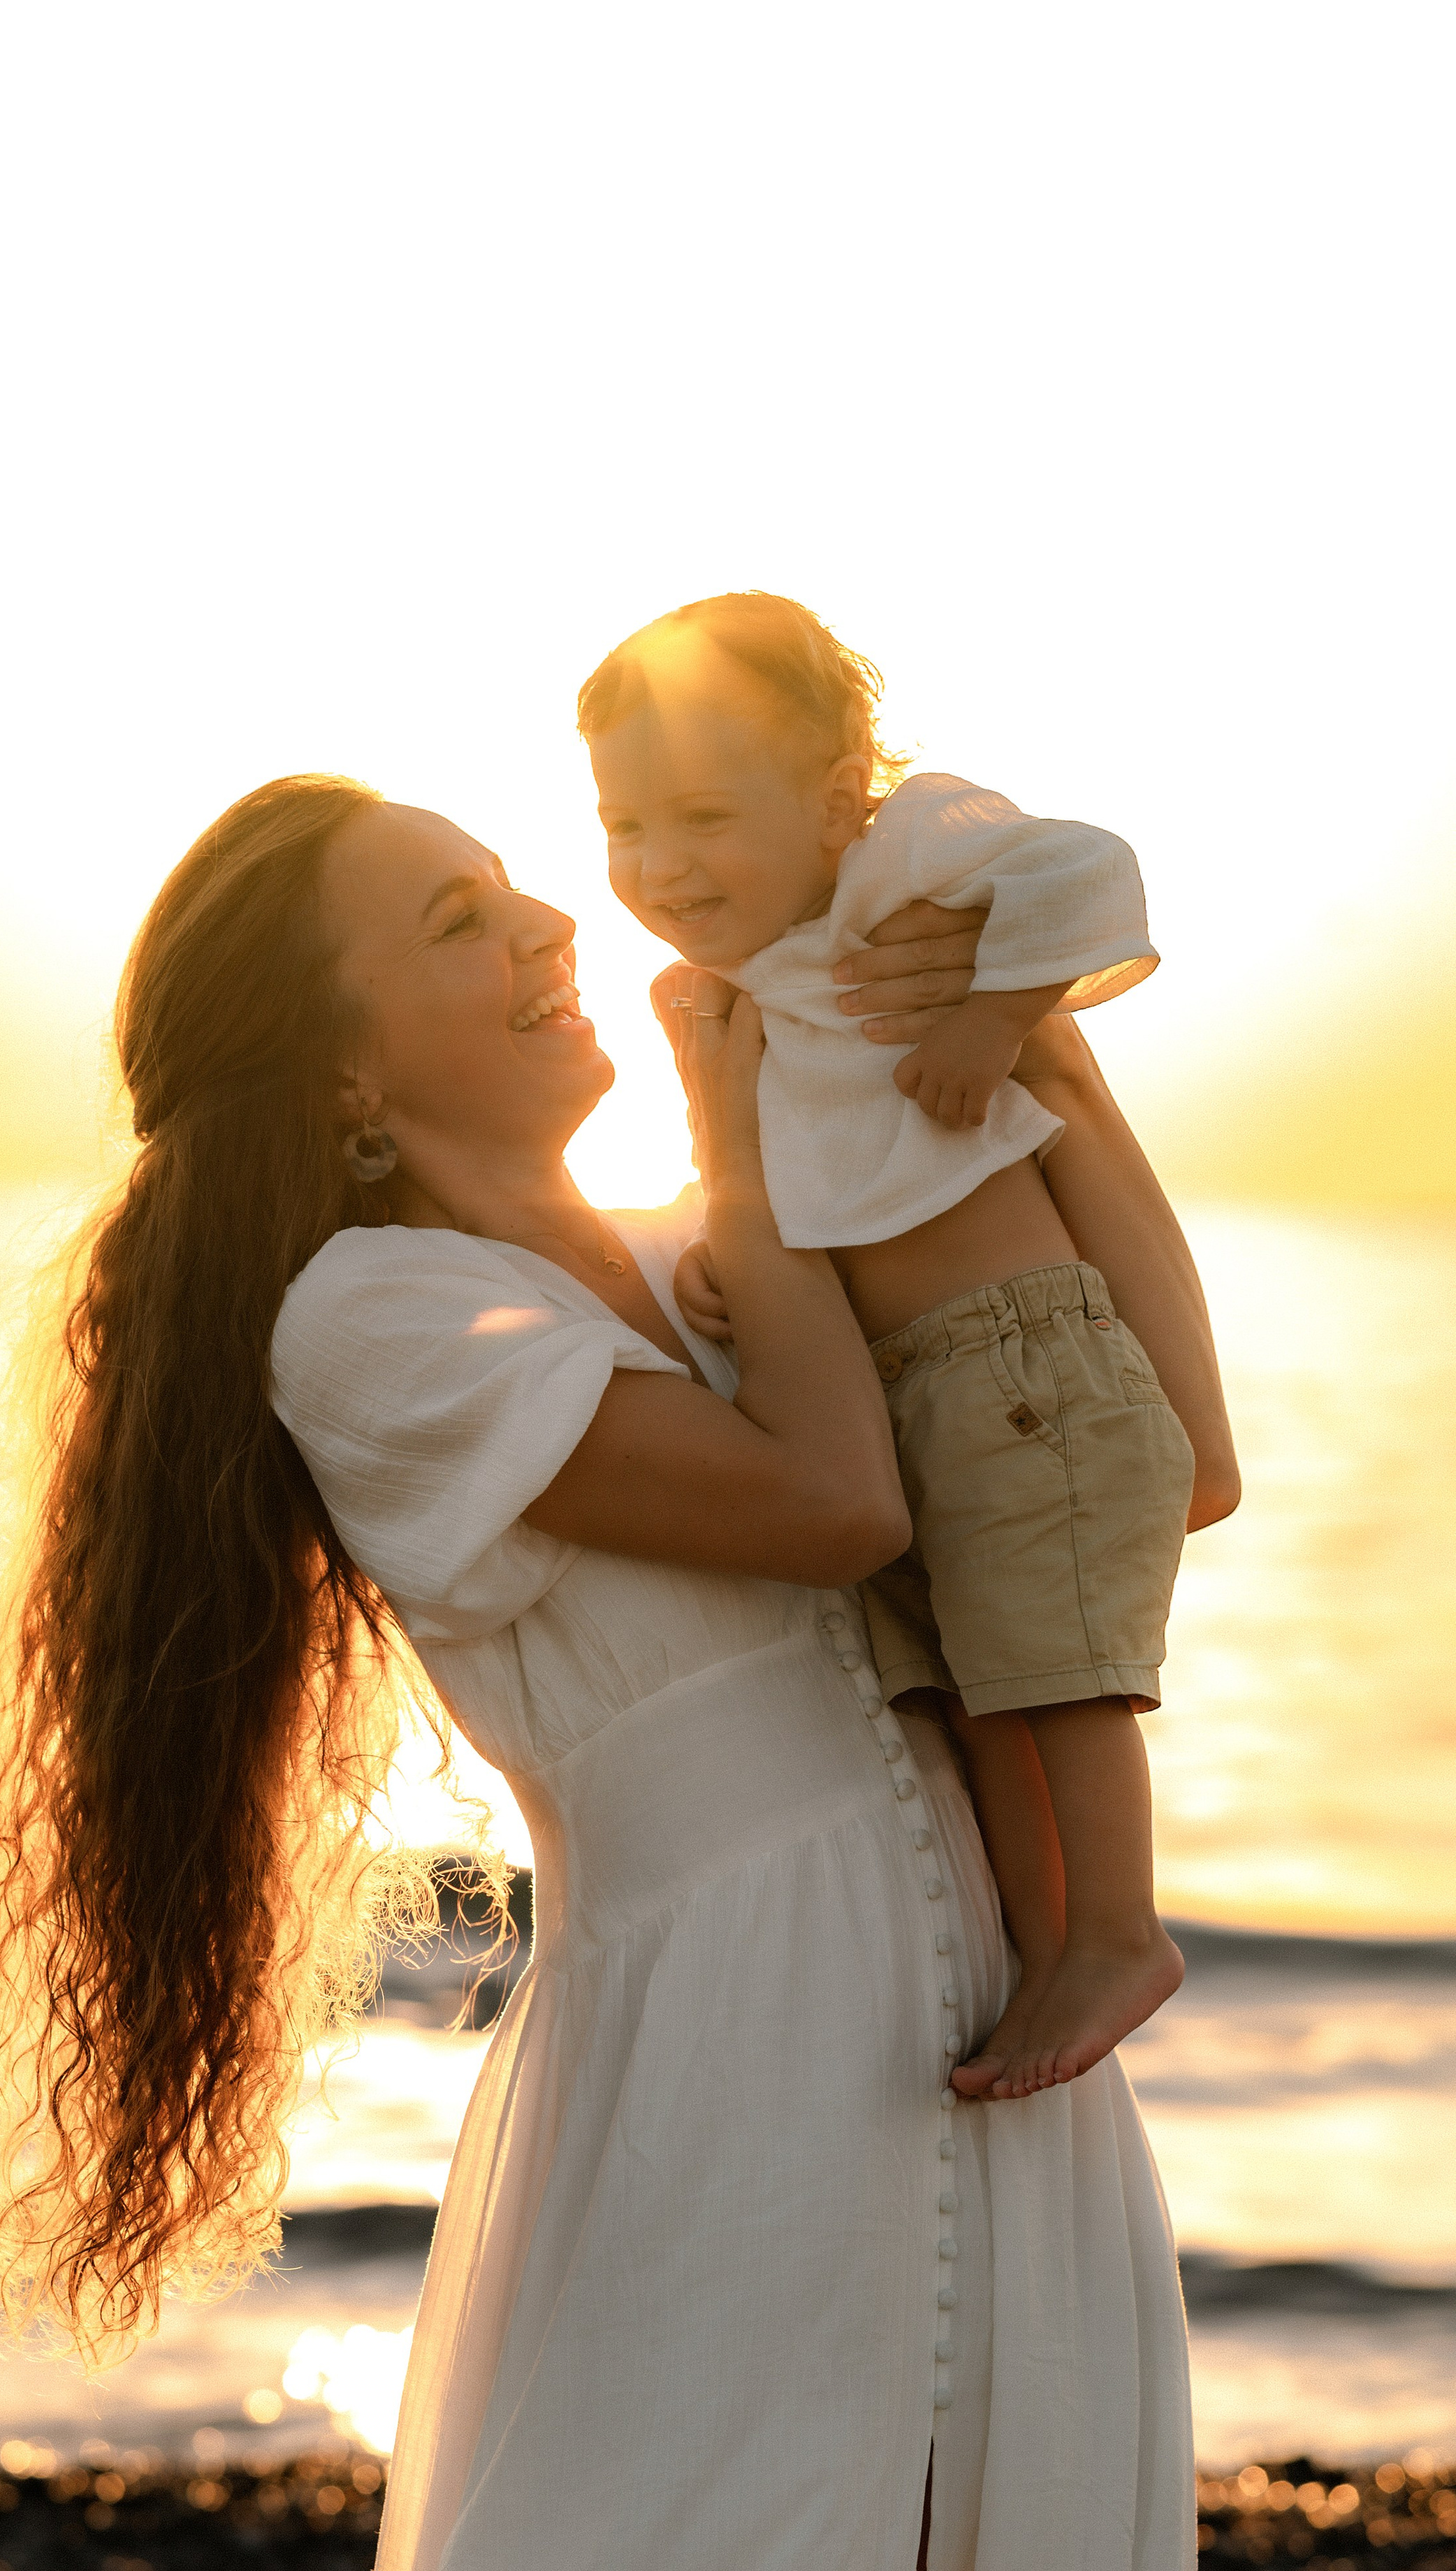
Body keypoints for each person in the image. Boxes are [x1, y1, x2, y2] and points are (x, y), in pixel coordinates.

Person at [0, 771, 1201, 2571]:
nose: (549, 929)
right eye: (457, 922)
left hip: (1002, 2029)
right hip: (738, 2058)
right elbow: (837, 1508)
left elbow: (1164, 1451)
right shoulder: (377, 1320)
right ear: (340, 1076)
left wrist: (1024, 1041)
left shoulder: (711, 1268)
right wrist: (759, 1153)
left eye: (522, 889)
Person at [579, 591, 1239, 2099]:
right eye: (623, 827)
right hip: (913, 1395)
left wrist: (996, 1012)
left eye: (699, 815)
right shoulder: (740, 988)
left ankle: (1120, 1933)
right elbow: (795, 1162)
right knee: (977, 1691)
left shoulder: (903, 871)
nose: (660, 866)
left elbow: (1091, 869)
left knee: (1059, 1678)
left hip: (1022, 1367)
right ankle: (1039, 1937)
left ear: (828, 803)